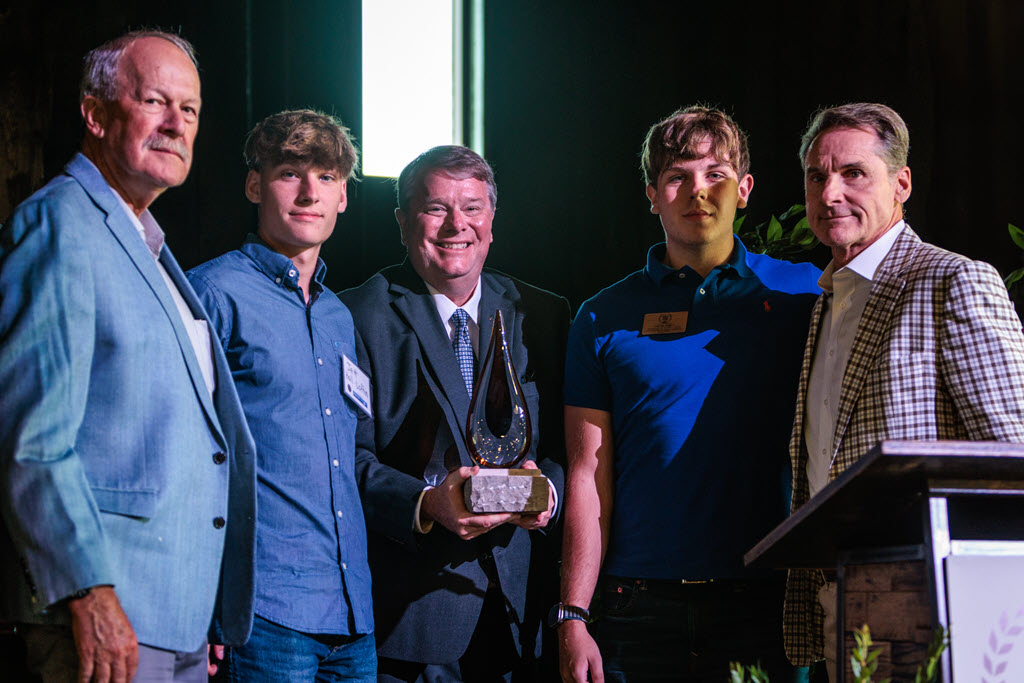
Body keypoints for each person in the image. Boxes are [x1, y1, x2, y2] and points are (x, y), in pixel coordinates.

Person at [0, 31, 256, 683]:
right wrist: (89, 588)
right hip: (106, 617)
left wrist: (204, 611)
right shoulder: (61, 224)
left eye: (190, 109)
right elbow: (31, 440)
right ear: (95, 113)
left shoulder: (146, 242)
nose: (175, 124)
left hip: (174, 619)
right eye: (154, 101)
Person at [558, 106, 821, 683]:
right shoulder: (602, 315)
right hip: (636, 607)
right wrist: (573, 615)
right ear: (652, 194)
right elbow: (586, 472)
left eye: (715, 174)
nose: (696, 191)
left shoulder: (806, 293)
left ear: (745, 189)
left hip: (767, 602)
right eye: (677, 176)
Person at [784, 101, 1024, 680]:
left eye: (853, 173)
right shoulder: (826, 303)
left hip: (943, 605)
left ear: (902, 184)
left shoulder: (953, 280)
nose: (831, 192)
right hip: (843, 602)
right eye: (817, 176)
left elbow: (1015, 454)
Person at [338, 145, 569, 682]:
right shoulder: (355, 314)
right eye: (435, 208)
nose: (455, 225)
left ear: (492, 220)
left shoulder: (544, 315)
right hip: (413, 620)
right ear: (402, 222)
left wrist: (547, 495)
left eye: (471, 208)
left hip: (522, 617)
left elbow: (570, 446)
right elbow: (345, 457)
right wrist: (423, 503)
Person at [186, 110, 375, 681]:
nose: (309, 192)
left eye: (326, 176)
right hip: (264, 612)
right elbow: (187, 455)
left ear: (343, 197)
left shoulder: (341, 316)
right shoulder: (211, 293)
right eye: (290, 173)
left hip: (353, 615)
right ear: (254, 185)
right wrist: (205, 600)